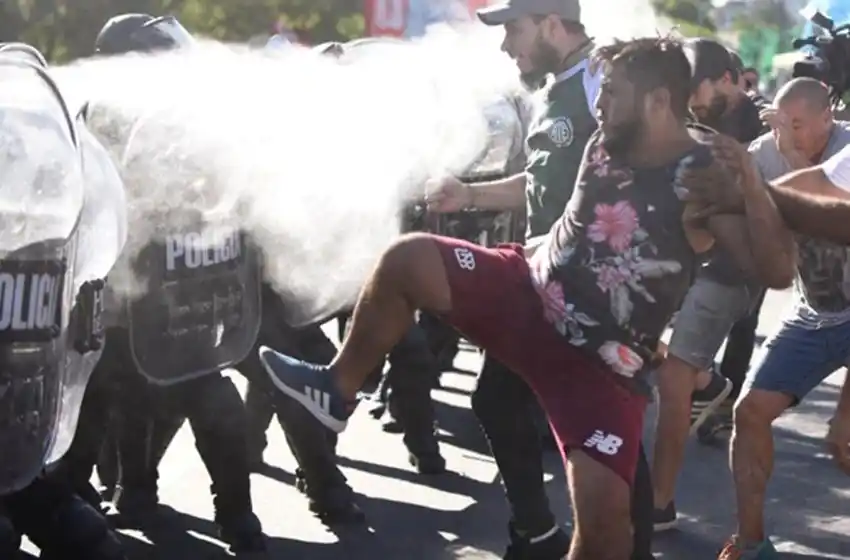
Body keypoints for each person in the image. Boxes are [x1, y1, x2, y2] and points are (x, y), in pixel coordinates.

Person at [259, 35, 796, 559]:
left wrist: (750, 179)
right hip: (525, 292)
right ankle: (337, 389)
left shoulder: (705, 175)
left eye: (612, 92)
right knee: (408, 259)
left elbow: (774, 270)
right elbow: (560, 202)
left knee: (606, 537)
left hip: (598, 364)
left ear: (658, 103)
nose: (600, 103)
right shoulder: (604, 137)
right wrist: (472, 197)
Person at [80, 13, 266, 553]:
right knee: (94, 411)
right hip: (112, 303)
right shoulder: (90, 128)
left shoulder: (182, 125)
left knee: (217, 403)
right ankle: (87, 501)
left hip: (178, 296)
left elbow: (223, 189)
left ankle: (237, 516)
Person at [420, 0, 600, 556]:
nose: (505, 46)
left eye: (514, 30)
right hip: (546, 273)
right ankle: (538, 532)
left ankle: (554, 534)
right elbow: (545, 180)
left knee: (587, 422)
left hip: (588, 284)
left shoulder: (600, 79)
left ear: (551, 23)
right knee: (507, 400)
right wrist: (470, 194)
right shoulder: (553, 88)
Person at [717, 78, 850, 560]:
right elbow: (740, 210)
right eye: (780, 121)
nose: (787, 134)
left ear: (826, 119)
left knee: (846, 436)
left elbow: (815, 196)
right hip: (815, 312)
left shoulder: (847, 150)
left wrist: (845, 411)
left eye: (798, 125)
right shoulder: (763, 154)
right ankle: (751, 544)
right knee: (749, 412)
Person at [651, 38, 774, 531]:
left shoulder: (767, 124)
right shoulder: (689, 120)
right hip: (692, 257)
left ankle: (658, 504)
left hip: (733, 266)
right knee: (634, 335)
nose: (693, 105)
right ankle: (713, 383)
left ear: (726, 78)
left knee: (675, 375)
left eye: (697, 92)